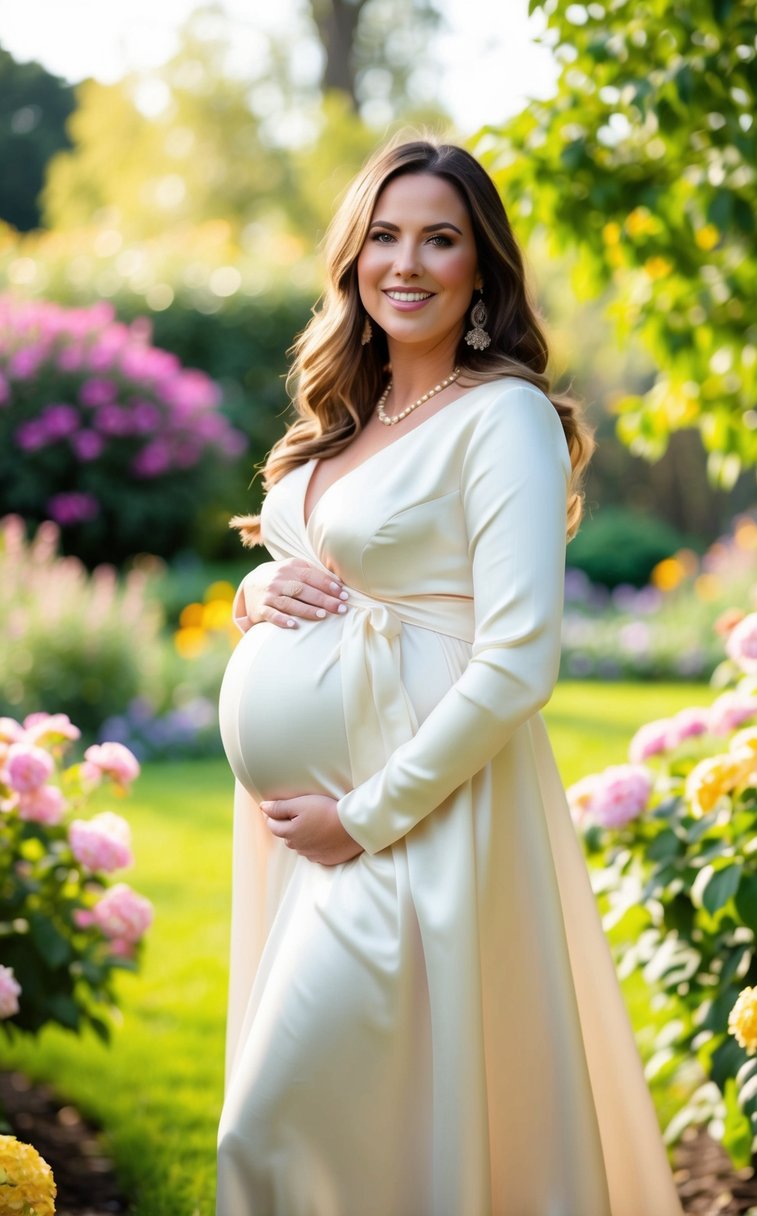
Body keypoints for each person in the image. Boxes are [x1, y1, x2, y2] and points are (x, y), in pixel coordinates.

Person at [215, 137, 681, 1216]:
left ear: (482, 268)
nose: (406, 263)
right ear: (351, 259)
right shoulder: (349, 418)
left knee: (272, 1123)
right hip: (319, 828)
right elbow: (307, 568)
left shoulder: (500, 414)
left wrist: (366, 816)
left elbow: (519, 662)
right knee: (372, 1127)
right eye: (383, 236)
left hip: (415, 818)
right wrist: (252, 599)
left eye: (439, 238)